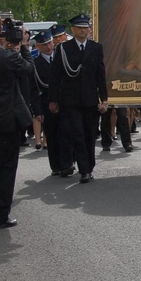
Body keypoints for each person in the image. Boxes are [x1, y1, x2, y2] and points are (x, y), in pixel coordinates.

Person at [0, 12, 35, 229]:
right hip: (7, 122)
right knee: (7, 169)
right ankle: (1, 215)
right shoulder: (9, 57)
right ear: (0, 30)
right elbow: (29, 69)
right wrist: (23, 46)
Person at [49, 14, 108, 184]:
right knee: (77, 134)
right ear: (73, 30)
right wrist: (53, 99)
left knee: (90, 134)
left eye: (86, 27)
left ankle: (89, 165)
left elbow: (100, 75)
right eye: (80, 27)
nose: (83, 30)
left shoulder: (96, 48)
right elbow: (55, 76)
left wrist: (104, 99)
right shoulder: (63, 48)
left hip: (90, 100)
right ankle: (84, 169)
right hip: (70, 100)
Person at [32, 31, 63, 174]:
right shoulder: (35, 64)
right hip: (46, 103)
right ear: (38, 46)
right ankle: (56, 166)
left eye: (50, 43)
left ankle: (67, 162)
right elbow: (34, 90)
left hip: (63, 102)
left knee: (66, 133)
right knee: (51, 135)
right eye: (44, 45)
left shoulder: (61, 58)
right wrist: (37, 111)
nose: (49, 47)